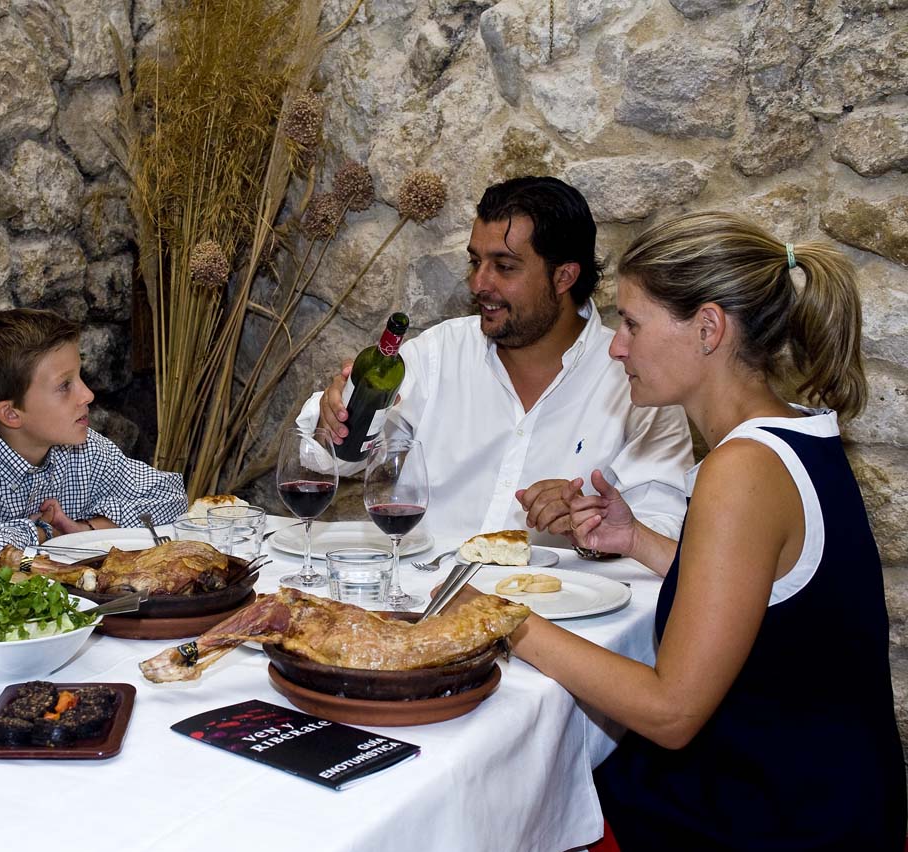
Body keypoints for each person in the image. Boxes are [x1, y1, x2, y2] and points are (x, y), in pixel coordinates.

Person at [490, 212, 904, 849]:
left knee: (519, 800)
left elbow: (671, 712)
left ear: (709, 329)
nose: (615, 346)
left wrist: (501, 619)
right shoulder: (794, 434)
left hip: (776, 820)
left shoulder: (742, 468)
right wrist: (638, 541)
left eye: (631, 323)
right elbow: (771, 594)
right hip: (830, 796)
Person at [298, 176, 693, 544]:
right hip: (423, 602)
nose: (479, 284)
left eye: (504, 267)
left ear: (564, 277)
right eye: (475, 262)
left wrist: (591, 519)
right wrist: (330, 421)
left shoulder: (638, 383)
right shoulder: (438, 354)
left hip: (560, 612)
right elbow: (330, 461)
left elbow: (663, 529)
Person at [0, 308, 187, 579]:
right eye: (64, 386)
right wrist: (41, 532)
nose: (88, 395)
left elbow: (170, 497)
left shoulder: (83, 449)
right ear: (11, 414)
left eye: (80, 377)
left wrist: (87, 529)